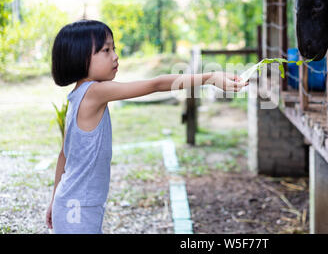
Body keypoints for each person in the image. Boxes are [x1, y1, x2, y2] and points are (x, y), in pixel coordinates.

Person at [45, 19, 246, 233]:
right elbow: (155, 84)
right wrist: (209, 77)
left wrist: (54, 199)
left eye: (114, 48)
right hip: (78, 208)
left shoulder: (76, 96)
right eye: (106, 50)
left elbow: (63, 155)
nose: (115, 56)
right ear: (80, 57)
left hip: (74, 203)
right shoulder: (94, 92)